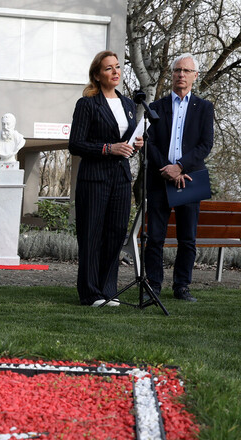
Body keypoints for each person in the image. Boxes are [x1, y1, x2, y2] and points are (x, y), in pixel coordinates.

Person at [67, 50, 138, 307]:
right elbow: (75, 144)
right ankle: (90, 292)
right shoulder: (87, 104)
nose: (115, 72)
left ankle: (109, 290)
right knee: (92, 234)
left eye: (118, 67)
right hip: (94, 178)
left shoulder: (128, 105)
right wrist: (109, 148)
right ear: (97, 75)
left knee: (116, 232)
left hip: (120, 177)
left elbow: (126, 142)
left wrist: (134, 144)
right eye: (108, 68)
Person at [144, 53, 215, 302]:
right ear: (172, 74)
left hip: (189, 180)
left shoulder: (204, 108)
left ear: (195, 76)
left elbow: (206, 145)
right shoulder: (156, 108)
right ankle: (153, 284)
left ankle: (182, 286)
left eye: (186, 71)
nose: (181, 75)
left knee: (187, 239)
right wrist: (167, 167)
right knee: (154, 237)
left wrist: (181, 167)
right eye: (177, 70)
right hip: (159, 179)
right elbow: (148, 143)